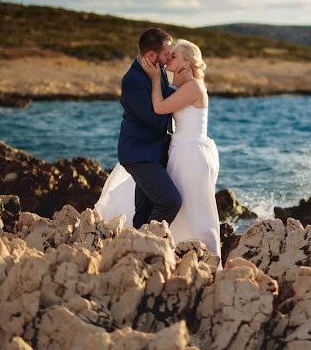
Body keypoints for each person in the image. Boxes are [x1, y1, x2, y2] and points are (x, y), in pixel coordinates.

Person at [95, 38, 222, 262]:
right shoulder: (182, 86)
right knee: (179, 204)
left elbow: (160, 107)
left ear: (187, 62)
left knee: (195, 208)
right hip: (179, 151)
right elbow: (164, 102)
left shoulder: (192, 87)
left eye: (174, 55)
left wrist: (155, 79)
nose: (168, 59)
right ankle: (168, 249)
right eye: (168, 54)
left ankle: (206, 256)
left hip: (191, 153)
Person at [97, 27, 182, 230]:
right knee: (170, 201)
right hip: (139, 153)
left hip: (154, 151)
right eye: (165, 52)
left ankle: (136, 250)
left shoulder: (157, 70)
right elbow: (157, 119)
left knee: (144, 209)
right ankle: (148, 242)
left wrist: (181, 88)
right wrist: (178, 98)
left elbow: (162, 100)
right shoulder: (132, 80)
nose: (169, 56)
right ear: (151, 54)